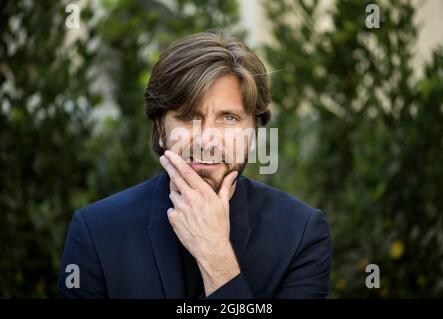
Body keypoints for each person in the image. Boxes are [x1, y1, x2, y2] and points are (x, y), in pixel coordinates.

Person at [58, 31, 332, 299]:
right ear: (160, 128)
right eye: (189, 116)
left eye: (229, 118)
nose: (207, 139)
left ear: (254, 130)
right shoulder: (96, 231)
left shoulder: (301, 235)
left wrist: (216, 258)